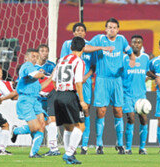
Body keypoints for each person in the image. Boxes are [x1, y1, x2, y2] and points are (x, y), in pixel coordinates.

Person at [87, 17, 136, 154]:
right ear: (105, 29)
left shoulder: (122, 40)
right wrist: (101, 48)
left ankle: (120, 144)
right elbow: (86, 48)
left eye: (114, 27)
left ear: (118, 29)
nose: (112, 29)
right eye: (109, 27)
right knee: (101, 111)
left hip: (117, 80)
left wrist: (132, 60)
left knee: (118, 111)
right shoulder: (99, 39)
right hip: (102, 80)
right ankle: (99, 144)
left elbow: (131, 54)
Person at [60, 22, 97, 155]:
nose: (80, 32)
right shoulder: (67, 44)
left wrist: (86, 76)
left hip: (84, 83)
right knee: (71, 117)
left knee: (85, 112)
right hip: (71, 84)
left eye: (82, 30)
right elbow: (62, 61)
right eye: (77, 30)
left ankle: (84, 145)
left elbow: (94, 66)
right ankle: (70, 148)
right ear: (74, 33)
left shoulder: (90, 46)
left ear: (85, 33)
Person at [10, 48, 53, 158]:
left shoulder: (34, 70)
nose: (35, 58)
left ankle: (33, 153)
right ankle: (16, 131)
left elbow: (40, 87)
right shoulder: (27, 66)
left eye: (36, 57)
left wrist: (52, 77)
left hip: (35, 100)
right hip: (26, 101)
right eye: (33, 56)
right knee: (36, 127)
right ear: (26, 57)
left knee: (42, 124)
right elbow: (35, 75)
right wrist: (42, 74)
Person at [53, 37, 87, 165]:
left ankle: (69, 155)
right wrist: (82, 101)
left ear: (71, 47)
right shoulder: (79, 61)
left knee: (68, 127)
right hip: (70, 95)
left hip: (58, 95)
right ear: (83, 48)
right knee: (80, 126)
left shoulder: (61, 60)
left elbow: (54, 79)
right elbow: (78, 82)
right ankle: (68, 154)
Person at [122, 35, 150, 155]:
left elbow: (147, 72)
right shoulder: (124, 58)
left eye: (139, 42)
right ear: (130, 44)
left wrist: (155, 78)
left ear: (142, 45)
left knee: (143, 119)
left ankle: (142, 147)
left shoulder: (145, 58)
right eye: (134, 42)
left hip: (141, 95)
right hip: (127, 94)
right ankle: (128, 148)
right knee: (131, 117)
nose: (136, 44)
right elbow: (119, 72)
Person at [35, 44, 61, 156]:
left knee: (51, 121)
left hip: (50, 97)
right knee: (38, 124)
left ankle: (53, 147)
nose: (44, 53)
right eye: (42, 51)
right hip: (37, 99)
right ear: (38, 53)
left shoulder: (51, 66)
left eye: (46, 51)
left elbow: (56, 79)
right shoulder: (31, 67)